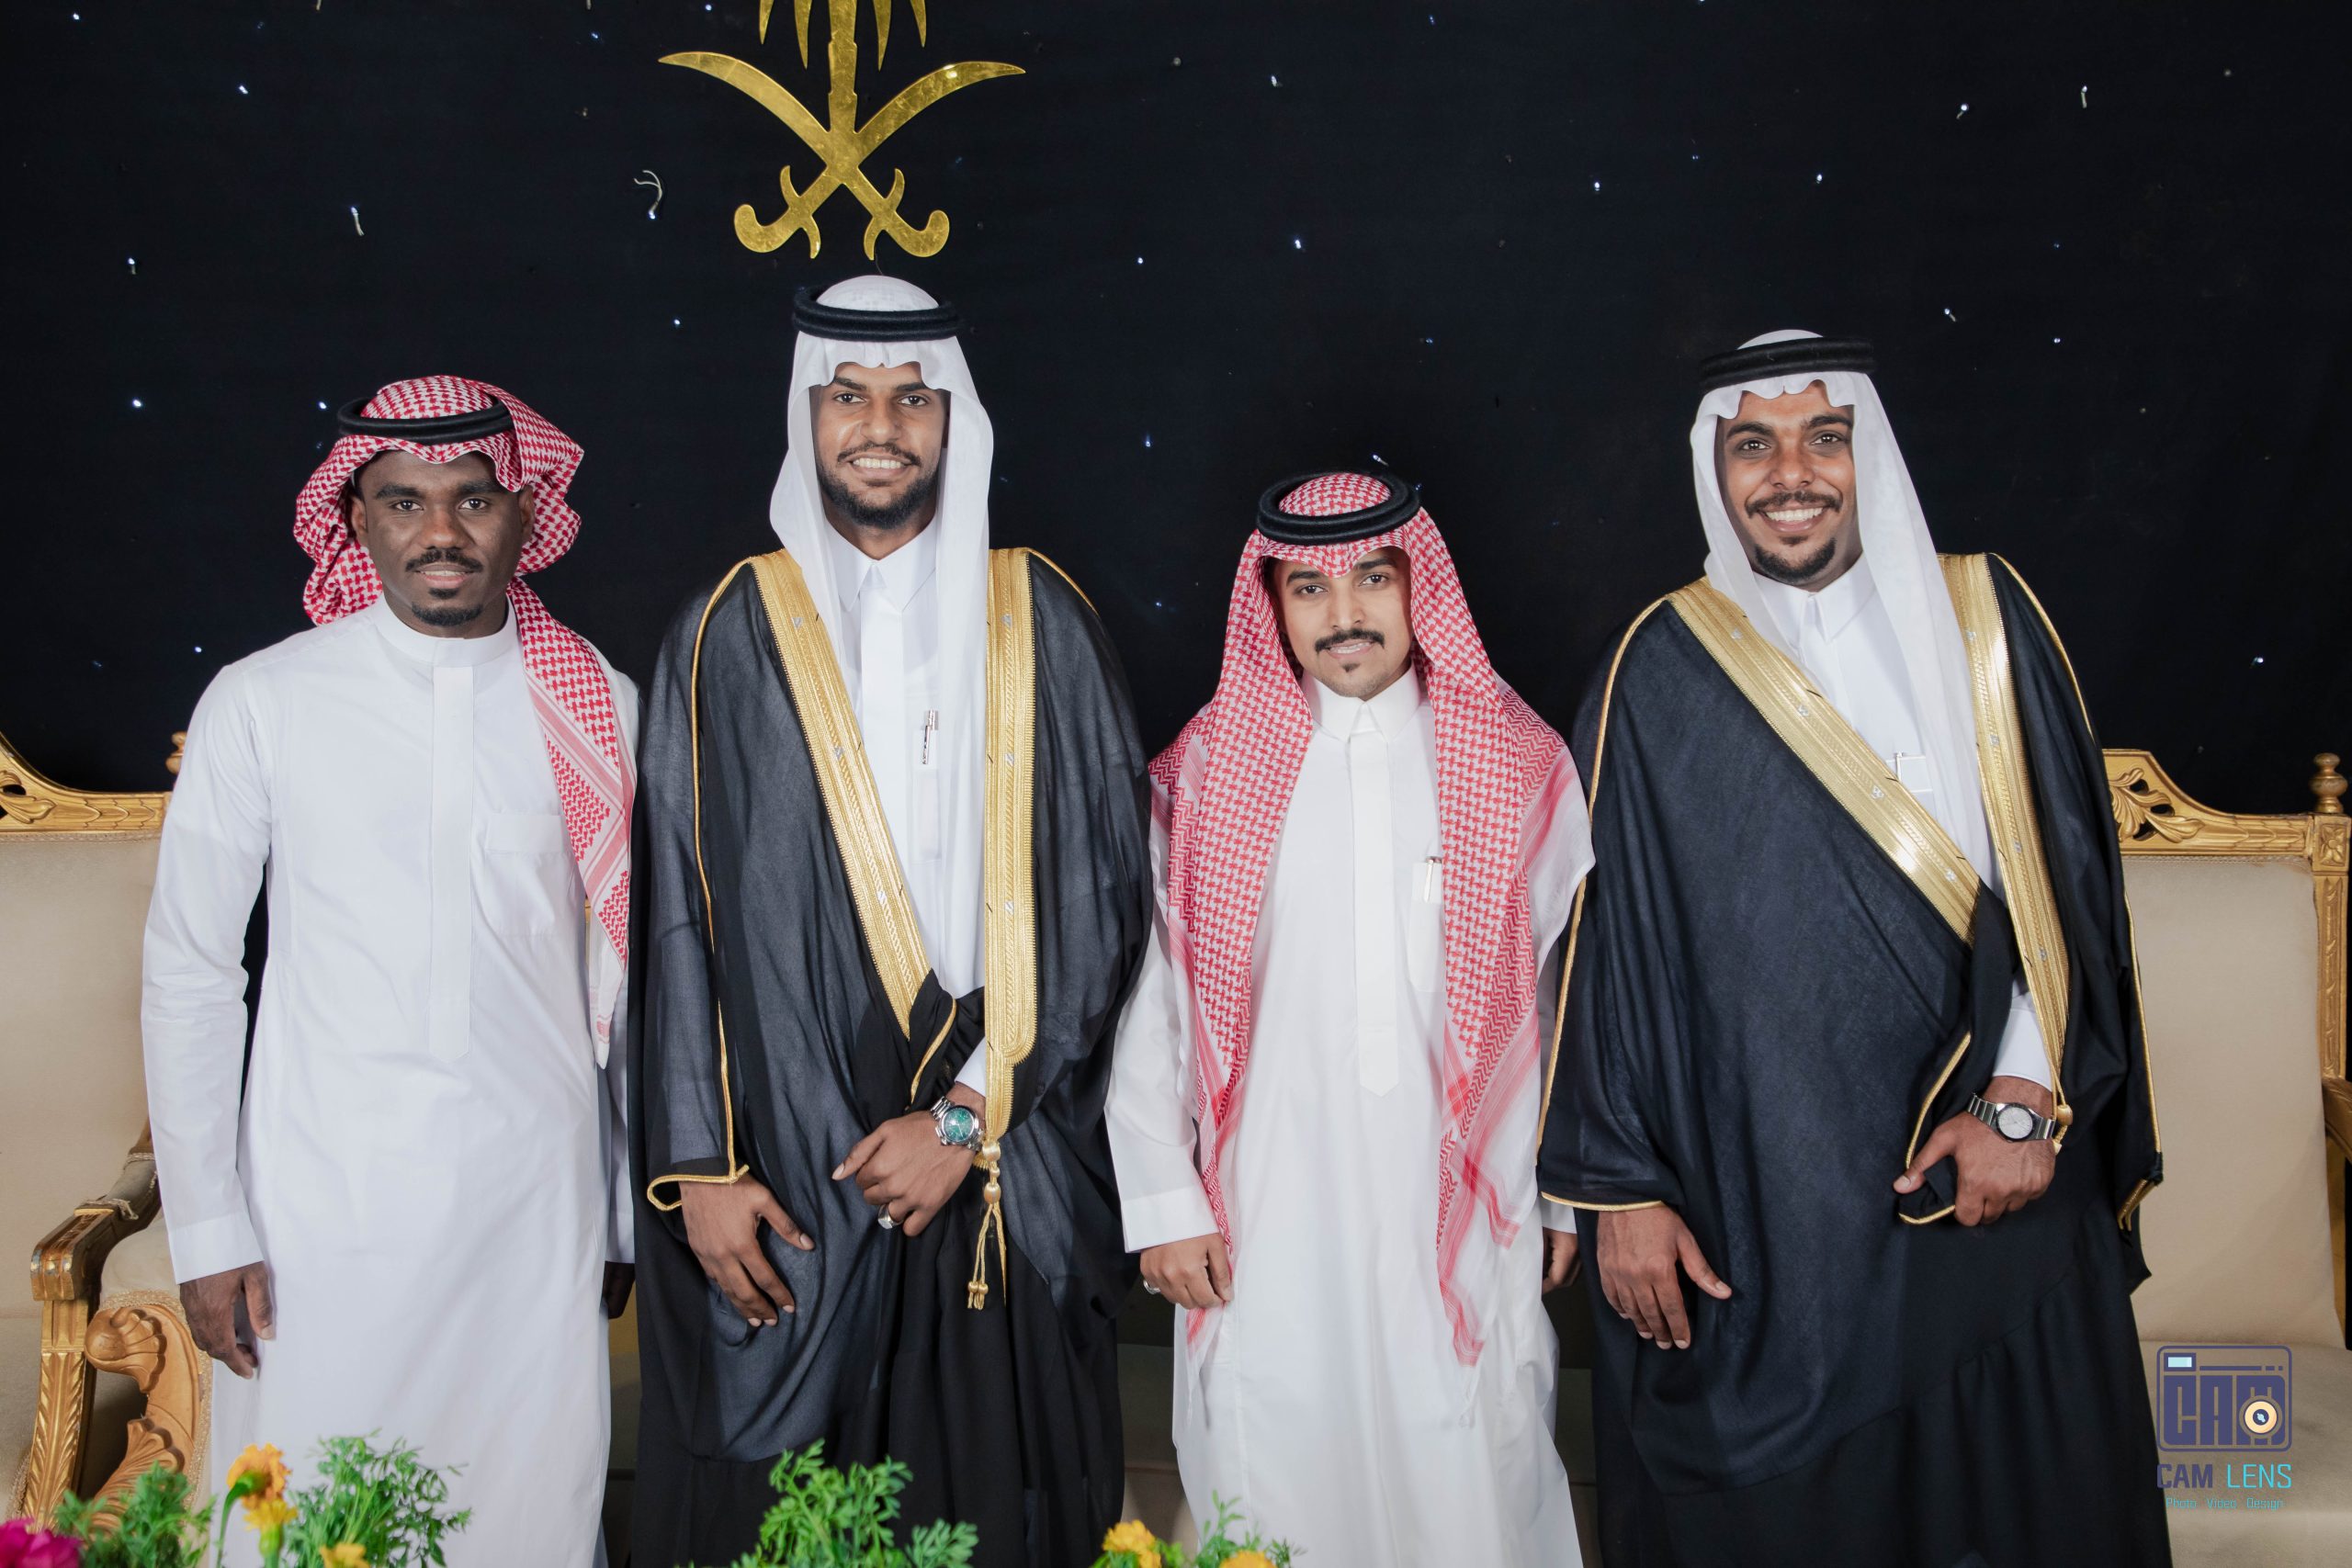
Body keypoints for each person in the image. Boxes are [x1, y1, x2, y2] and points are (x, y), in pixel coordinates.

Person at [1539, 332, 2168, 1567]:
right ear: (1715, 469)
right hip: (1761, 1213)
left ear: (1865, 452)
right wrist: (1623, 1191)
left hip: (1984, 1176)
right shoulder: (1655, 665)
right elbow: (1600, 954)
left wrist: (2023, 1105)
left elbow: (2066, 886)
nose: (1792, 473)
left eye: (1823, 438)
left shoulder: (1984, 619)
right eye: (1754, 445)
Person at [629, 277, 1152, 1568]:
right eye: (848, 397)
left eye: (913, 399)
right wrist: (701, 1167)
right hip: (794, 1168)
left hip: (996, 1155)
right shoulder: (725, 631)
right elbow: (678, 920)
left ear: (953, 418)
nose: (880, 426)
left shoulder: (1041, 614)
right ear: (805, 419)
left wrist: (968, 1116)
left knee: (998, 1511)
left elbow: (1103, 901)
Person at [142, 377, 638, 1564]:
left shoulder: (599, 706)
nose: (441, 532)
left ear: (527, 513)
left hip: (533, 1205)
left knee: (522, 1517)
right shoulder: (264, 699)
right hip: (320, 1211)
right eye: (405, 501)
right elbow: (192, 971)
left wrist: (619, 1204)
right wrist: (207, 1227)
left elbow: (626, 981)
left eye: (474, 499)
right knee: (312, 1516)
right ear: (355, 518)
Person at [1106, 469, 1592, 1568]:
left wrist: (1567, 1186)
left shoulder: (1517, 761)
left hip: (1461, 1203)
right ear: (1271, 606)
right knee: (1274, 1469)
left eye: (1373, 578)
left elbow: (1557, 1003)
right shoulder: (1204, 772)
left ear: (1421, 587)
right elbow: (1152, 1006)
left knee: (1469, 1467)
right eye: (1308, 589)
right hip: (1265, 1210)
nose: (1344, 615)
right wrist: (1162, 1200)